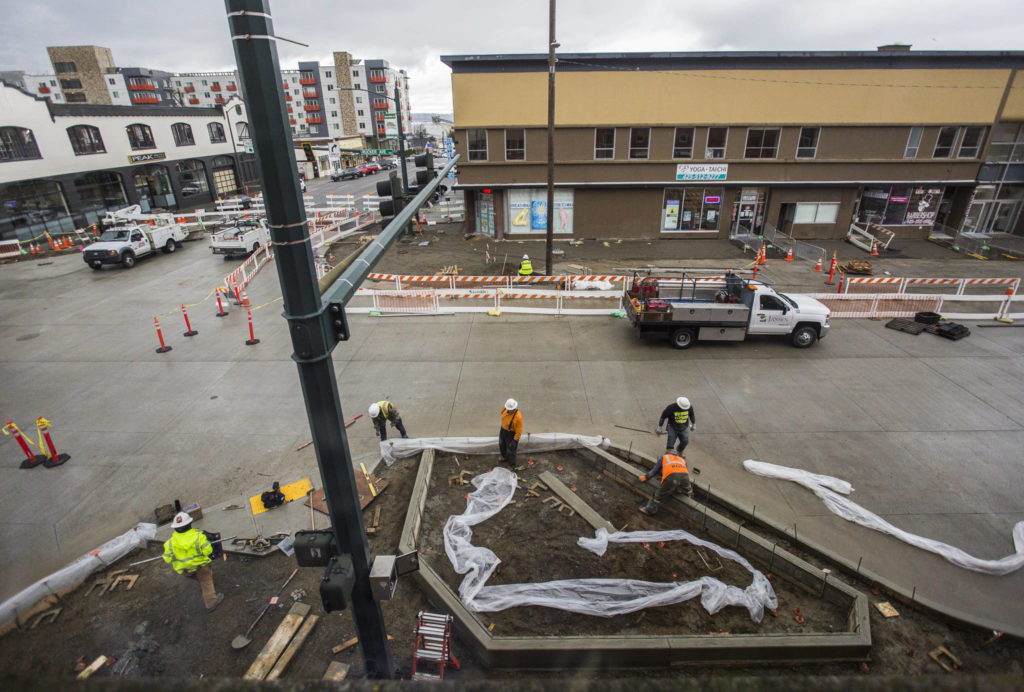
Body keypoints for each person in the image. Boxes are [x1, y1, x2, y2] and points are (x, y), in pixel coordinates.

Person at [162, 512, 223, 611]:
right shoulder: (199, 537)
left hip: (186, 571)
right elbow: (208, 551)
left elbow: (167, 559)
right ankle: (211, 604)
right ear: (189, 524)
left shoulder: (169, 544)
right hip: (201, 567)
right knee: (206, 583)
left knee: (199, 579)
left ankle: (201, 582)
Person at [638, 448, 693, 515]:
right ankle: (690, 503)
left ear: (667, 453)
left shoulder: (664, 457)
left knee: (658, 495)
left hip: (671, 477)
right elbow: (682, 471)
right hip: (685, 477)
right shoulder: (682, 459)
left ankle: (649, 510)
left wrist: (646, 477)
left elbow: (654, 471)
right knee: (688, 490)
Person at [499, 398, 524, 469]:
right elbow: (502, 413)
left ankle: (511, 465)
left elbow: (519, 430)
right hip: (503, 430)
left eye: (511, 409)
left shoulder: (518, 417)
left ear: (514, 408)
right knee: (502, 444)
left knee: (511, 450)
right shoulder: (504, 408)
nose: (509, 410)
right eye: (508, 409)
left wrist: (515, 440)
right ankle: (504, 457)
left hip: (511, 434)